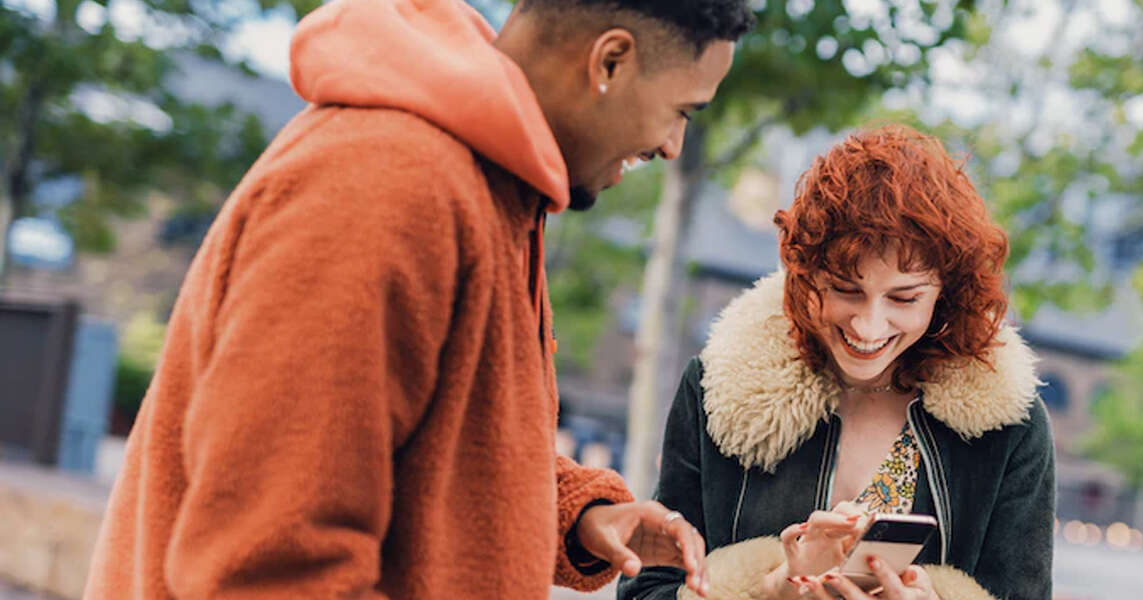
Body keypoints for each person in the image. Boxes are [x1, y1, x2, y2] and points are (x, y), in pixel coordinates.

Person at [83, 0, 754, 597]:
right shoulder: (386, 188)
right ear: (610, 60)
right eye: (681, 111)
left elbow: (426, 458)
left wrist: (580, 517)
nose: (672, 144)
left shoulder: (491, 191)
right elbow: (267, 563)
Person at [619, 125, 1055, 600]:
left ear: (945, 295)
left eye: (904, 299)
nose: (869, 327)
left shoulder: (1010, 426)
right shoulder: (715, 390)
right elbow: (645, 591)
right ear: (805, 274)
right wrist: (767, 594)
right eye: (846, 290)